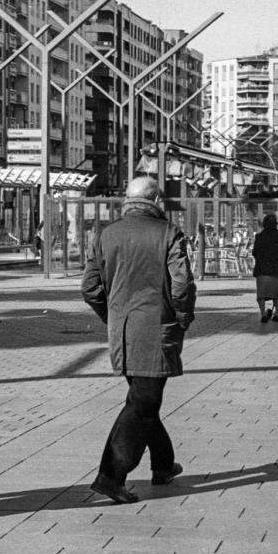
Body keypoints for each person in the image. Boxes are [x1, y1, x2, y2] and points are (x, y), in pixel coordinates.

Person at [81, 177, 196, 504]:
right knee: (142, 403)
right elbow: (182, 285)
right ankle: (110, 476)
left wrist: (112, 315)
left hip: (123, 332)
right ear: (157, 199)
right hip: (157, 331)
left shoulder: (107, 234)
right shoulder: (168, 233)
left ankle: (163, 465)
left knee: (145, 398)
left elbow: (89, 287)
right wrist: (184, 317)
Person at [250, 213, 278, 323]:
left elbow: (255, 252)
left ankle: (263, 314)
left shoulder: (259, 236)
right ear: (275, 224)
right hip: (277, 269)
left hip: (262, 270)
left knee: (261, 293)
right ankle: (277, 312)